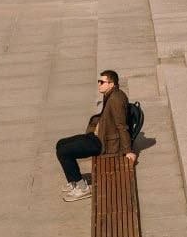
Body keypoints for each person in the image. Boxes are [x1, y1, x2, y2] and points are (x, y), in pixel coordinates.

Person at [55, 69, 136, 202]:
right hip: (97, 135)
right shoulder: (110, 94)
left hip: (102, 143)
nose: (99, 84)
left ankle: (83, 189)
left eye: (102, 82)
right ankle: (73, 181)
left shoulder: (116, 100)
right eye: (99, 81)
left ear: (111, 84)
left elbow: (122, 126)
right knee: (61, 144)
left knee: (64, 151)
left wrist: (128, 151)